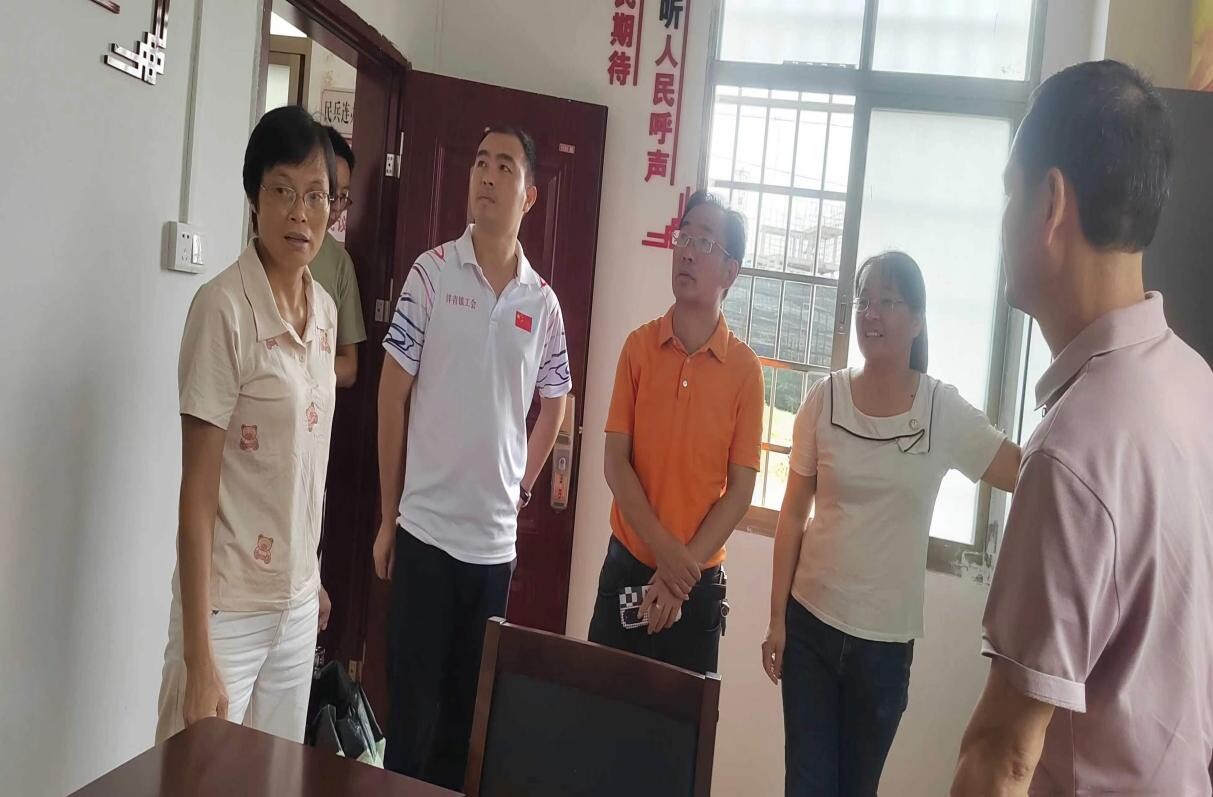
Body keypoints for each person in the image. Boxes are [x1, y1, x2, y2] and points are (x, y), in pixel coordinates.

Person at [952, 60, 1213, 795]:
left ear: (1050, 202)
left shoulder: (1073, 450)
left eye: (1010, 191)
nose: (1004, 219)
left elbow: (1003, 755)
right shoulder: (1196, 384)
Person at [762, 251, 1021, 796]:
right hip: (811, 628)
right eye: (864, 301)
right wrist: (776, 620)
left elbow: (1021, 472)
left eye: (888, 302)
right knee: (806, 787)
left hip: (883, 649)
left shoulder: (940, 409)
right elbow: (793, 514)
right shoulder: (824, 399)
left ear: (918, 320)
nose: (871, 314)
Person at [374, 125, 570, 789]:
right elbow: (391, 395)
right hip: (424, 535)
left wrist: (521, 485)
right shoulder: (430, 274)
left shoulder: (543, 303)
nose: (486, 175)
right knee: (411, 725)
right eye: (480, 162)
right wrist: (387, 516)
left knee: (465, 729)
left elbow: (556, 405)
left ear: (530, 195)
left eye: (504, 166)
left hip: (491, 550)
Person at [155, 105, 338, 743]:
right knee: (196, 776)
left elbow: (306, 465)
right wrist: (197, 654)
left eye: (316, 195)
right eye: (282, 190)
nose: (299, 213)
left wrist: (311, 577)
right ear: (254, 198)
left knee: (274, 779)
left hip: (296, 608)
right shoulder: (222, 309)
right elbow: (197, 492)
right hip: (226, 609)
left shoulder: (325, 313)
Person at [585, 190, 763, 675]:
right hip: (627, 567)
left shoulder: (745, 371)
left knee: (682, 721)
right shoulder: (639, 348)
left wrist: (679, 574)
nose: (686, 251)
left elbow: (740, 490)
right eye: (682, 238)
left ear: (730, 272)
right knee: (599, 708)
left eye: (703, 242)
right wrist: (666, 554)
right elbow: (615, 462)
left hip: (696, 585)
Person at [308, 126, 367, 387]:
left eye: (342, 197)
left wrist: (296, 366)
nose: (334, 207)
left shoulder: (340, 263)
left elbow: (349, 367)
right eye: (327, 193)